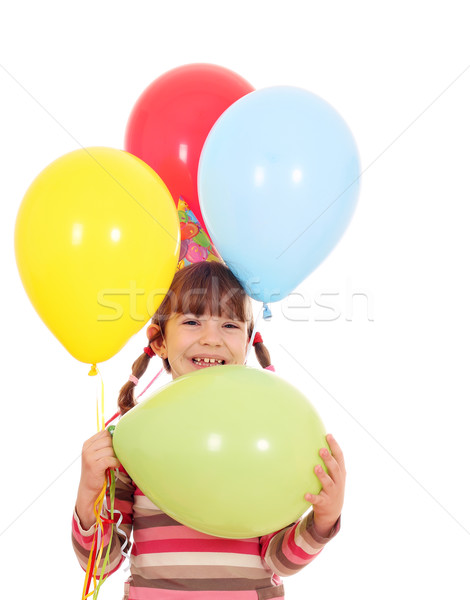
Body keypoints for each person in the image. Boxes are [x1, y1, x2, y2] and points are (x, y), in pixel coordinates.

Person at [72, 261, 346, 599]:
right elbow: (101, 565)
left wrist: (322, 520)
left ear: (247, 343)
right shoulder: (136, 442)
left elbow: (279, 561)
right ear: (159, 341)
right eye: (191, 321)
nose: (211, 339)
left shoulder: (261, 435)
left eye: (229, 324)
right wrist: (87, 497)